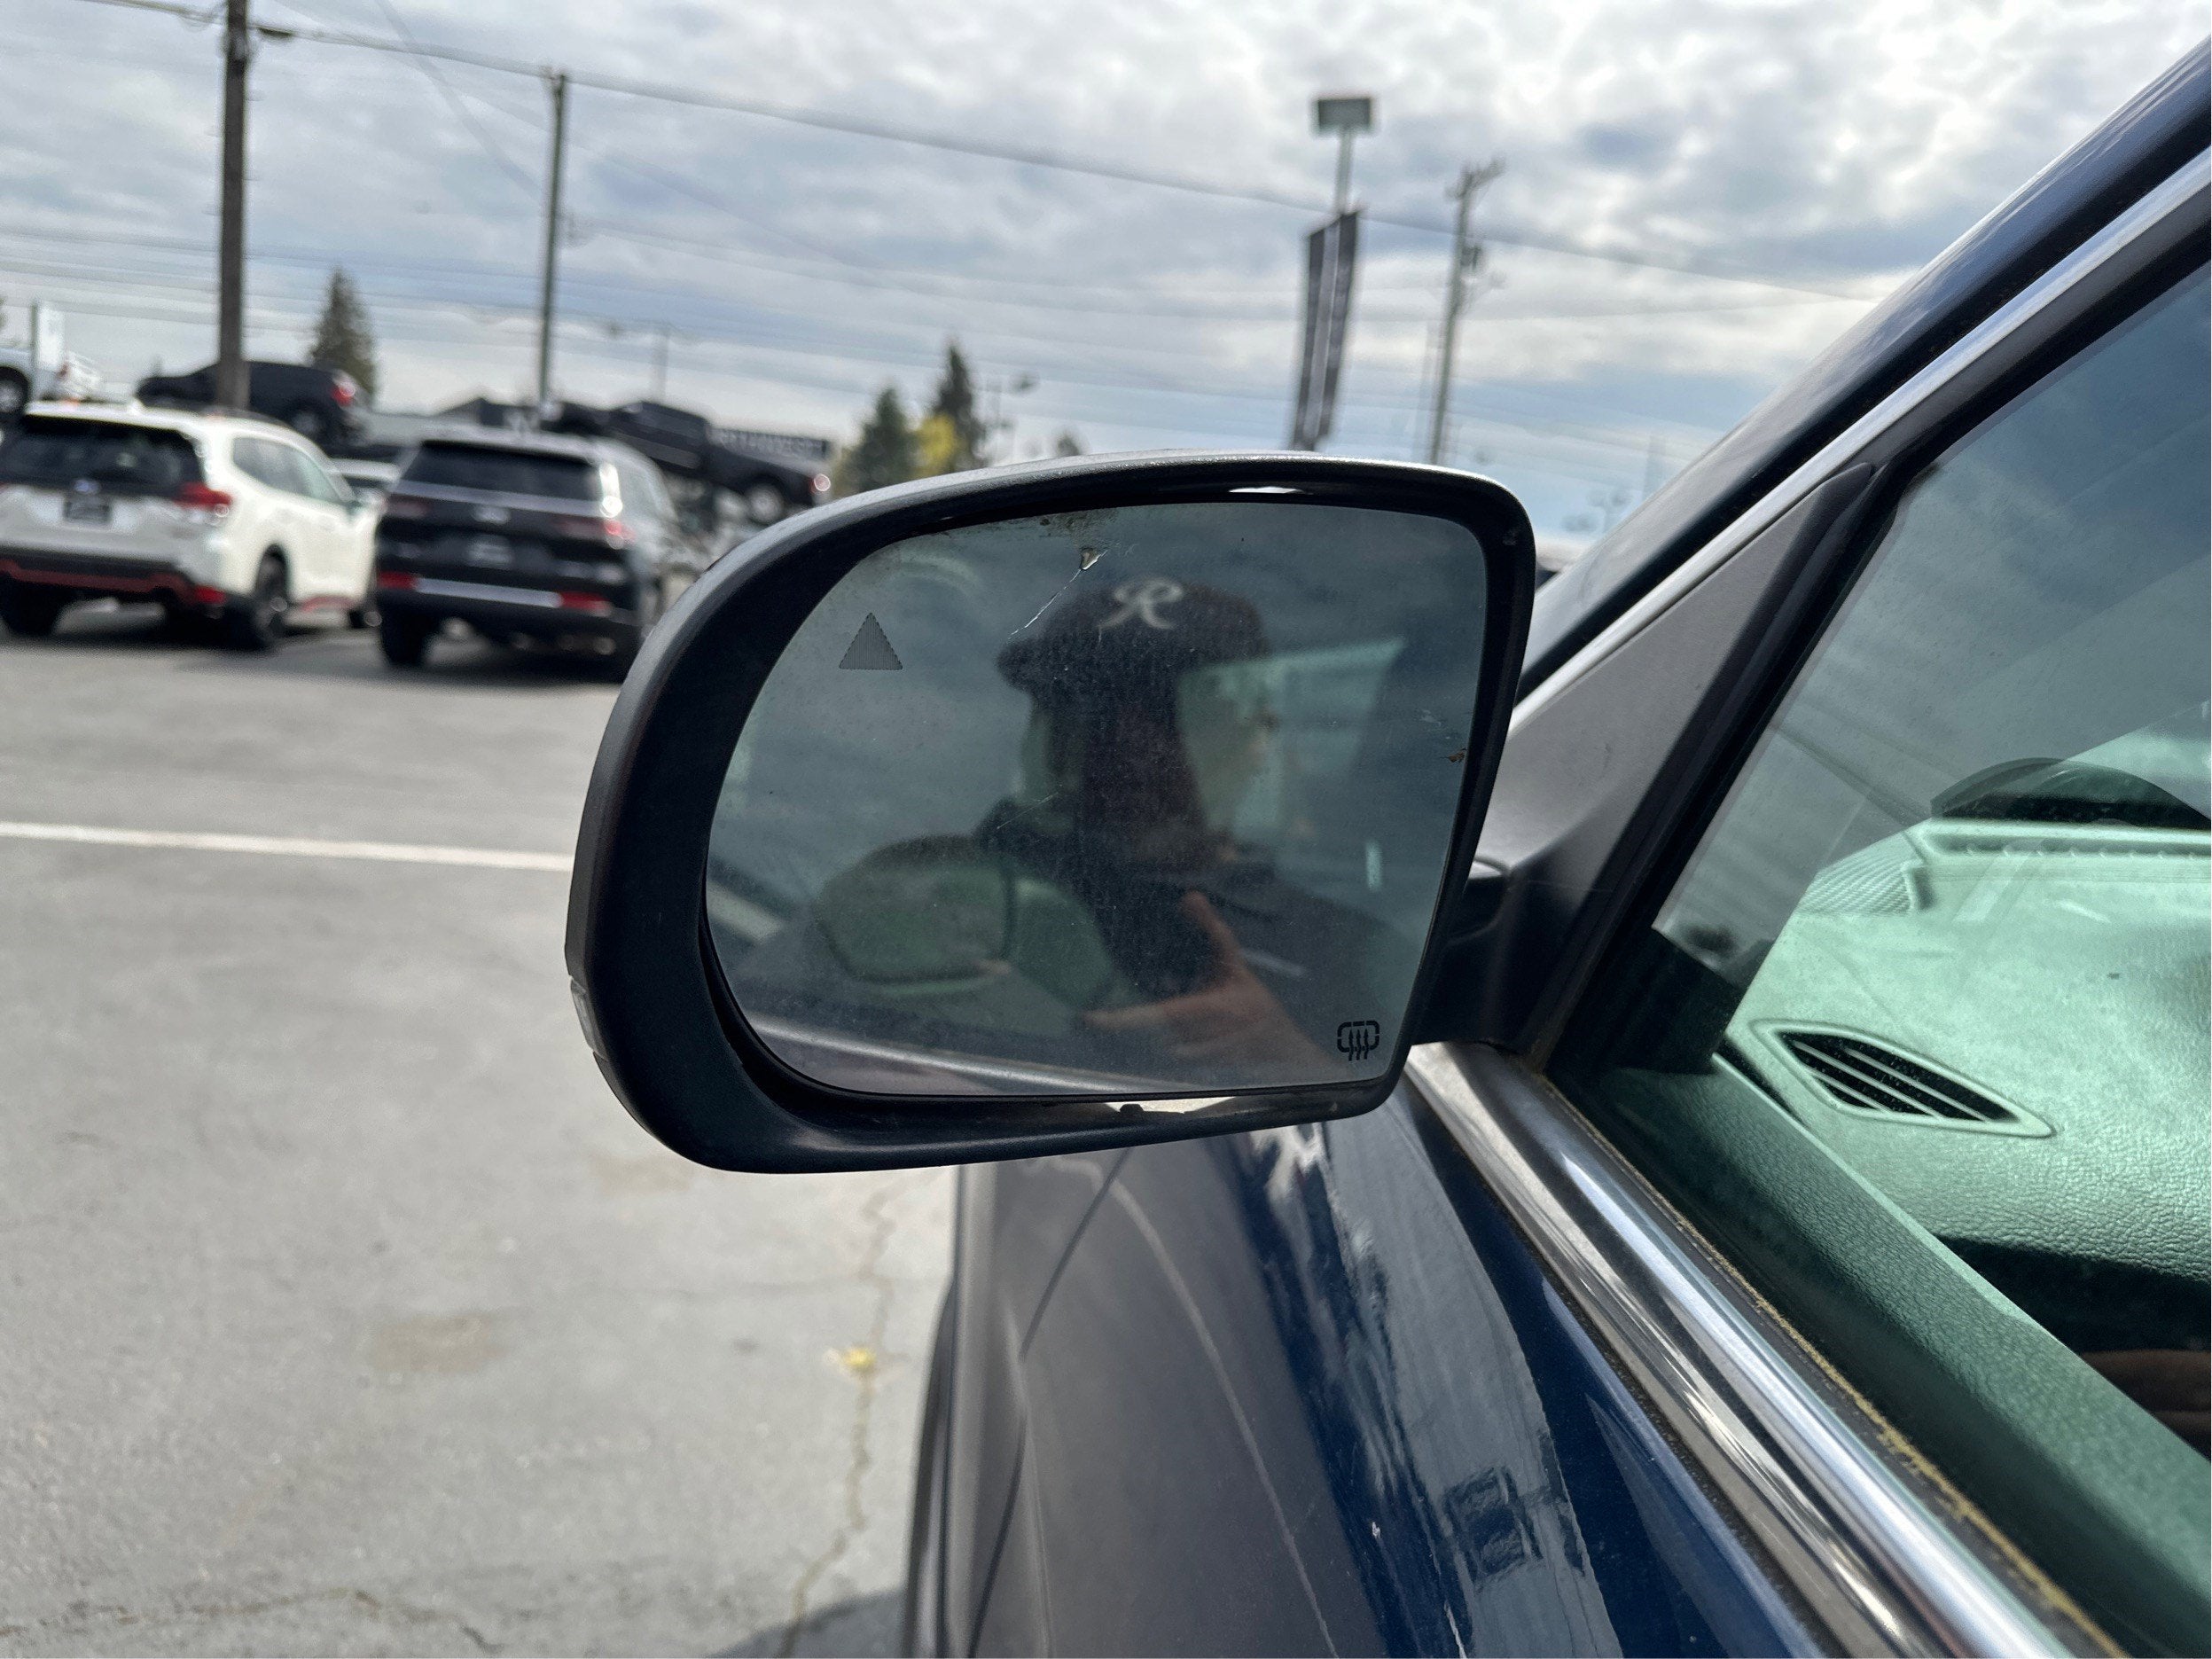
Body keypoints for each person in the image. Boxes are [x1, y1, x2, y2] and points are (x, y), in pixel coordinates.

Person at [734, 575, 1401, 1089]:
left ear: (1260, 734)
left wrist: (1276, 1053)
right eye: (1083, 703)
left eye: (1169, 710)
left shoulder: (1351, 952)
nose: (1123, 743)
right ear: (1044, 731)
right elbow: (747, 1033)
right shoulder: (924, 889)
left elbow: (1376, 1131)